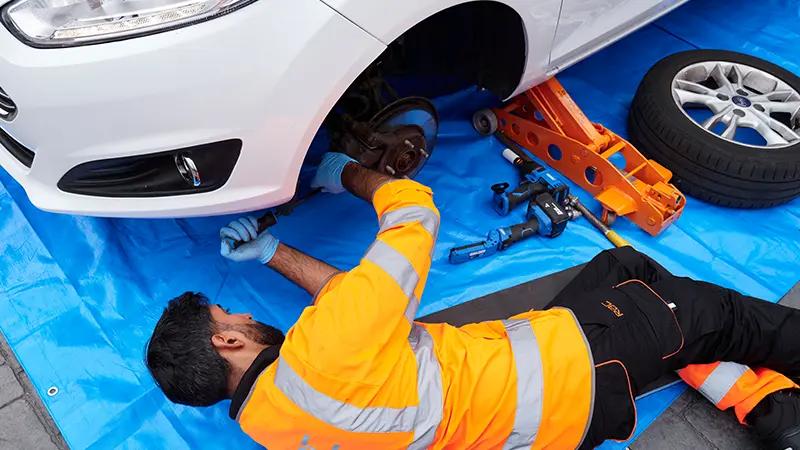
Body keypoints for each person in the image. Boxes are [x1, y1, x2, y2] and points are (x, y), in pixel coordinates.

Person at [146, 153, 800, 449]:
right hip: (577, 372)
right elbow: (415, 217)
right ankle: (774, 411)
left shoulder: (270, 425)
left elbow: (357, 314)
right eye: (228, 318)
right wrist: (348, 172)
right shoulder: (325, 346)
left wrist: (274, 254)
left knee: (622, 266)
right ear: (226, 343)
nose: (241, 314)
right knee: (724, 317)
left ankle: (763, 399)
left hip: (535, 420)